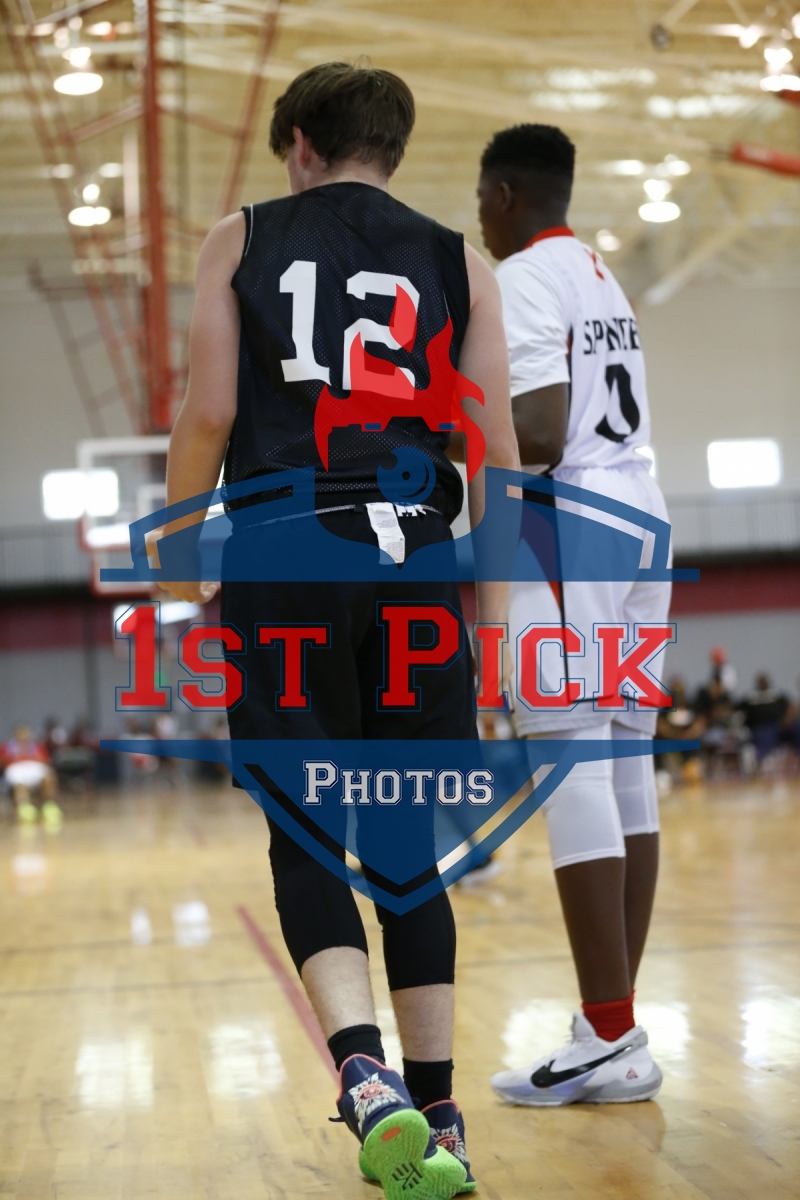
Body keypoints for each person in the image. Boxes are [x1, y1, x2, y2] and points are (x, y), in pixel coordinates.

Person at [160, 63, 519, 1198]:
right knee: (407, 847)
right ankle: (441, 1111)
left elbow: (211, 412)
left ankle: (367, 1079)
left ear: (302, 143)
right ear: (391, 150)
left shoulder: (242, 237)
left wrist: (176, 564)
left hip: (289, 549)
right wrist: (499, 620)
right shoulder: (461, 263)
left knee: (305, 830)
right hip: (417, 560)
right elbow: (496, 457)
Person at [477, 124, 670, 1106]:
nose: (479, 218)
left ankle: (606, 1032)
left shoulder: (519, 277)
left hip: (571, 524)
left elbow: (540, 432)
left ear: (504, 196)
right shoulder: (600, 276)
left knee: (572, 761)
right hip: (639, 516)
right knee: (624, 763)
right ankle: (612, 1027)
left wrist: (440, 440)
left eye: (481, 201)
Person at [1, 724, 62, 826]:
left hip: (34, 769)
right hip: (17, 770)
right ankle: (25, 808)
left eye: (25, 734)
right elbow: (4, 762)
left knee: (48, 778)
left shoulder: (38, 747)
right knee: (20, 784)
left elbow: (45, 760)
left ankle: (49, 806)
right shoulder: (7, 748)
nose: (23, 737)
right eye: (20, 734)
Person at [740, 673, 789, 764]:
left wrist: (786, 720)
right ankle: (756, 761)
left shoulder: (775, 695)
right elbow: (739, 710)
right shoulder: (751, 697)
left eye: (764, 681)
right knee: (747, 742)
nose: (763, 684)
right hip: (755, 728)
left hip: (773, 727)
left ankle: (760, 760)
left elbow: (789, 707)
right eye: (761, 682)